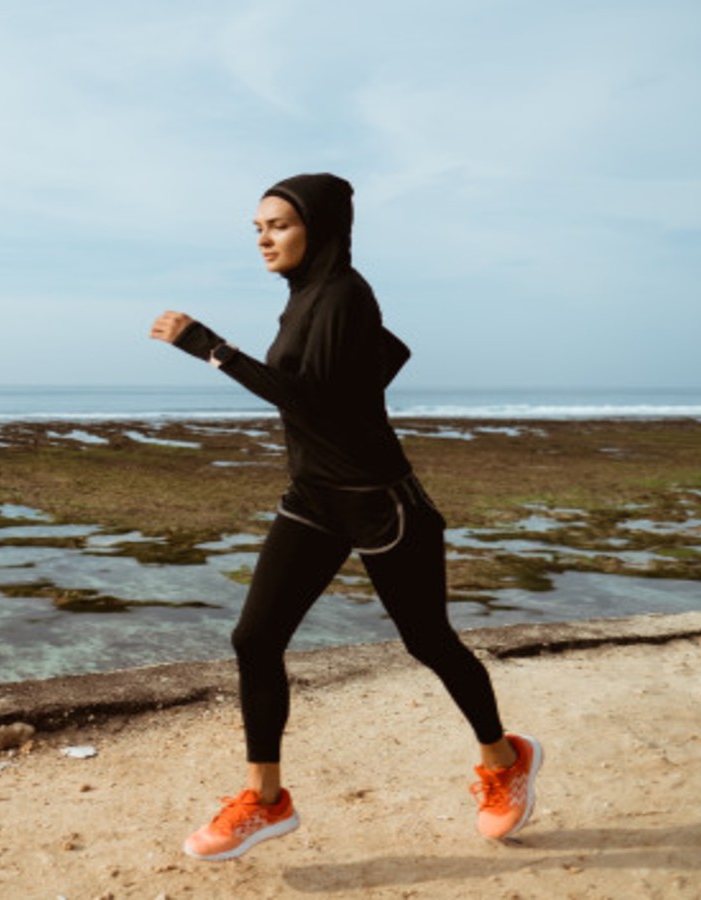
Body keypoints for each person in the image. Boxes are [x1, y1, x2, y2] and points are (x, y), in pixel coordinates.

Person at [149, 173, 541, 861]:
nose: (265, 239)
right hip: (314, 499)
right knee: (255, 639)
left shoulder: (343, 293)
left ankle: (506, 760)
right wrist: (356, 395)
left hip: (380, 504)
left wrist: (211, 347)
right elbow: (388, 356)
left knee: (429, 642)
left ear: (319, 228)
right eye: (258, 229)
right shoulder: (305, 299)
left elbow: (312, 404)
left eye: (279, 225)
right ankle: (266, 802)